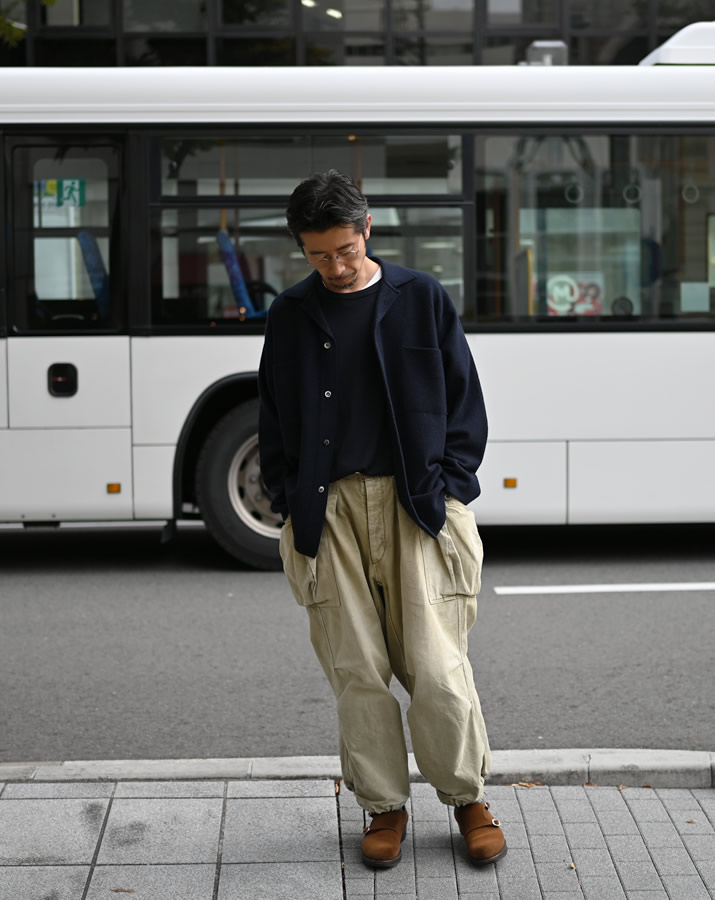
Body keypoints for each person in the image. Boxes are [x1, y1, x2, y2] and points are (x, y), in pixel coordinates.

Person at [258, 169, 506, 869]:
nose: (335, 266)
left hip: (415, 504)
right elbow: (272, 413)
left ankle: (467, 799)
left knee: (437, 665)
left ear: (366, 229)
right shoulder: (290, 313)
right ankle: (383, 806)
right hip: (329, 511)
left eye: (344, 249)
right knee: (357, 671)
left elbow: (464, 401)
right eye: (318, 256)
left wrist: (449, 489)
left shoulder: (419, 297)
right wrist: (289, 499)